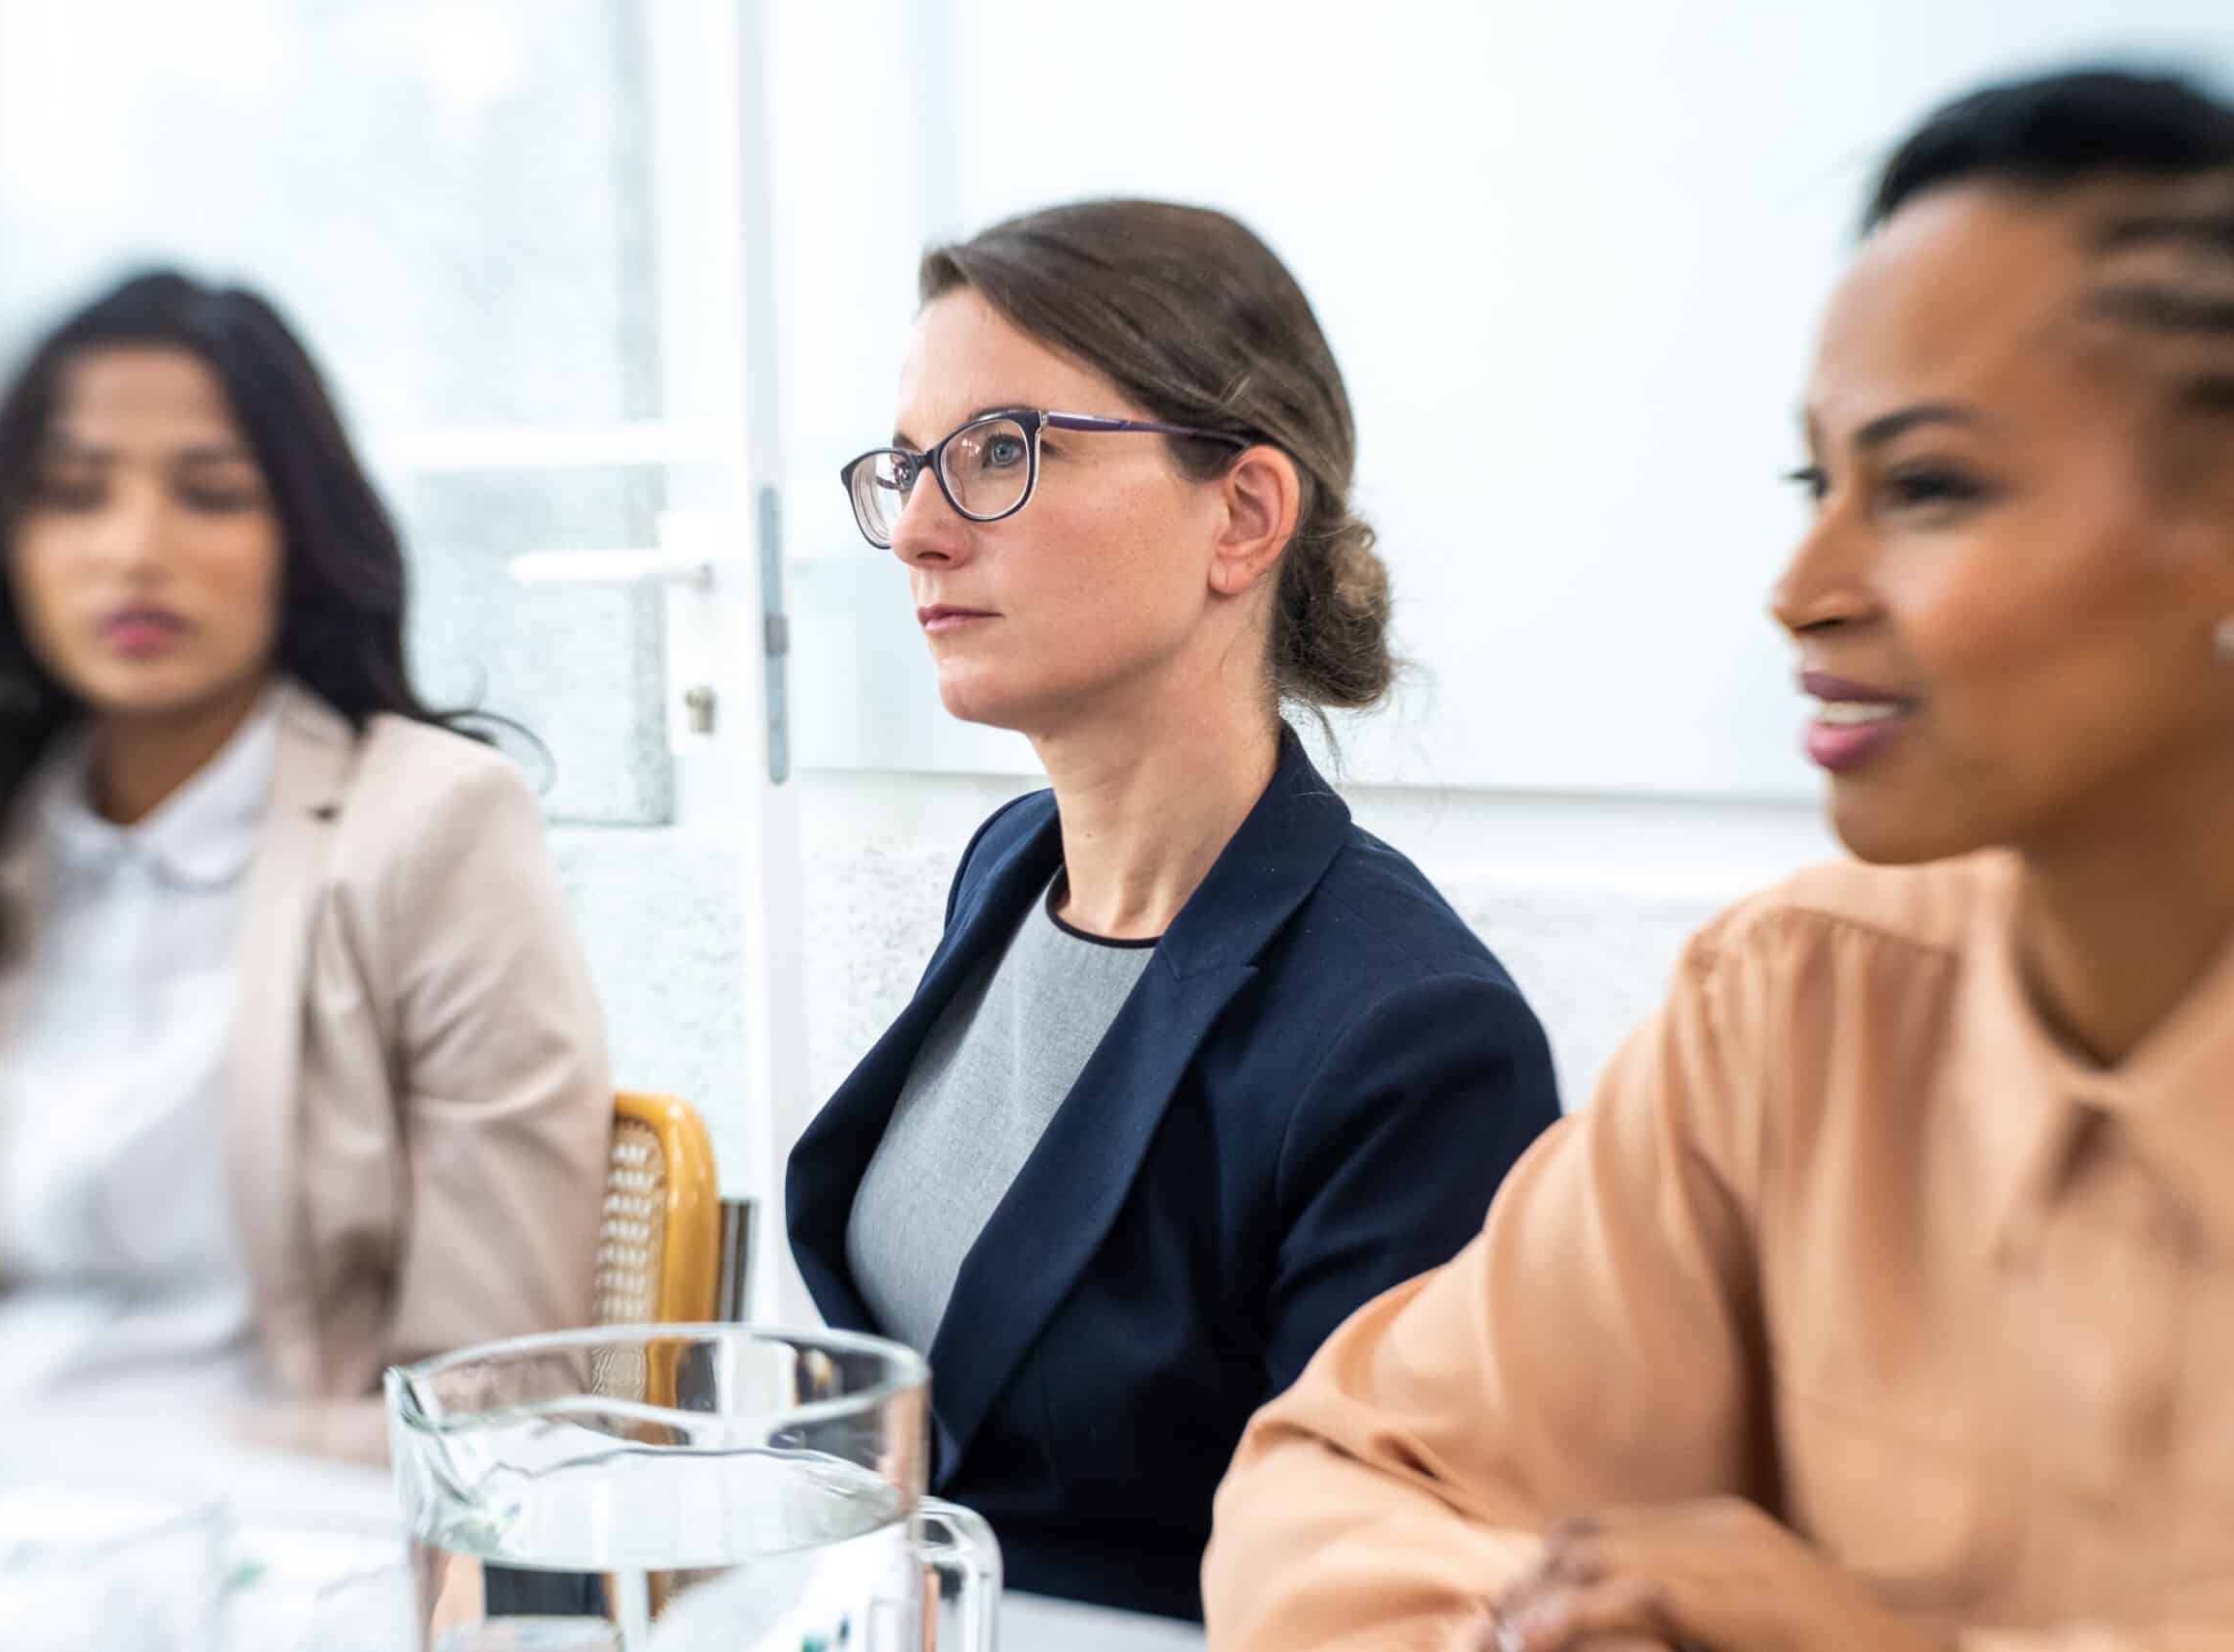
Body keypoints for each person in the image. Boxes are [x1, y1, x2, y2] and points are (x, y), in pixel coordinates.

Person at [1203, 67, 2234, 1652]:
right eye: (1820, 484)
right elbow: (1343, 1480)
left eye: (1934, 485)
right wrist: (1541, 1628)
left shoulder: (1389, 991)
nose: (1803, 586)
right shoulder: (1799, 1007)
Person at [786, 200, 1561, 1620]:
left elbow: (1383, 1597)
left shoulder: (1415, 1042)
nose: (917, 531)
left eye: (1002, 453)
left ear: (1245, 515)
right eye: (908, 466)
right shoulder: (1009, 869)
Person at [0, 271, 611, 1457]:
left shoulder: (432, 824)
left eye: (210, 494)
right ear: (9, 544)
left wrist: (126, 1469)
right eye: (72, 495)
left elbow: (492, 1392)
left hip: (273, 1527)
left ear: (299, 537)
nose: (135, 551)